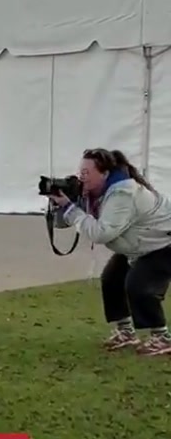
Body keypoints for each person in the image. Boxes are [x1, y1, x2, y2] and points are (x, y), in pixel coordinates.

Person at [51, 148, 171, 355]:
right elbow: (62, 224)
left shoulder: (123, 194)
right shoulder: (94, 193)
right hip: (137, 245)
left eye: (87, 173)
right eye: (81, 172)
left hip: (162, 244)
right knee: (111, 279)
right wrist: (60, 205)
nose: (82, 177)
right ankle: (126, 333)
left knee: (139, 286)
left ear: (105, 173)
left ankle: (162, 338)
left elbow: (101, 234)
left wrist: (71, 209)